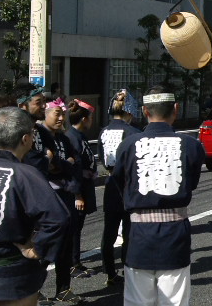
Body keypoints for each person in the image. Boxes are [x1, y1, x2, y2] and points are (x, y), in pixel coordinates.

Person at [112, 85, 205, 306]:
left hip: (138, 232)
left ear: (145, 111)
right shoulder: (191, 145)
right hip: (175, 231)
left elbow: (119, 181)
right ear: (176, 109)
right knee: (174, 301)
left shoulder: (128, 145)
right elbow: (190, 183)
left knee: (137, 300)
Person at [0, 107, 70, 305]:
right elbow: (58, 218)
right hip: (12, 271)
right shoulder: (25, 174)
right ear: (26, 139)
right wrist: (37, 248)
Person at [40, 98, 83, 304]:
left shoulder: (63, 139)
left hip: (65, 195)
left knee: (65, 244)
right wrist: (63, 164)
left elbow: (76, 161)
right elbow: (48, 166)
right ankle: (36, 290)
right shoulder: (38, 137)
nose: (61, 117)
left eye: (62, 113)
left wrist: (62, 164)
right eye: (56, 113)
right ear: (45, 114)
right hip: (46, 197)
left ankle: (63, 289)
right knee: (43, 245)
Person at [98, 89, 141, 286]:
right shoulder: (133, 133)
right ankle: (128, 270)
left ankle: (109, 273)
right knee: (128, 233)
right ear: (130, 112)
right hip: (129, 187)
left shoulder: (103, 131)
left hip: (110, 184)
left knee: (109, 232)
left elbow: (101, 158)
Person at [64, 99, 98, 278]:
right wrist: (77, 194)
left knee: (78, 227)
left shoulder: (78, 136)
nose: (91, 121)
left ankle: (75, 261)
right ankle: (72, 263)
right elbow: (73, 169)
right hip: (76, 190)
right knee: (74, 228)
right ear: (84, 119)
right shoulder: (71, 137)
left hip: (84, 186)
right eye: (90, 117)